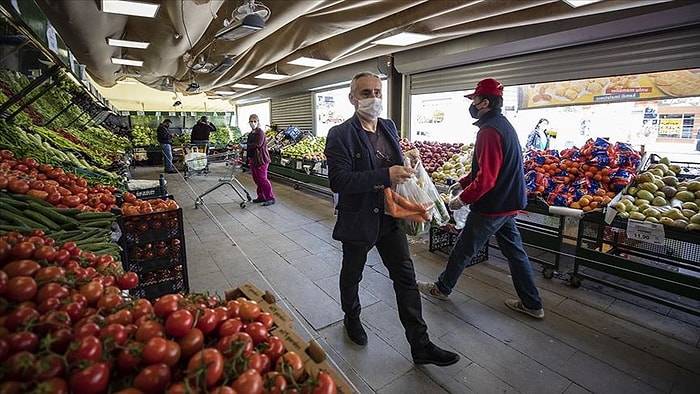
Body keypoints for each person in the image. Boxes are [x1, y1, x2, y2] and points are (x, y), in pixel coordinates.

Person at [324, 71, 459, 367]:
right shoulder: (341, 134)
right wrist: (384, 175)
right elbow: (339, 180)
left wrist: (405, 161)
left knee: (406, 278)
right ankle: (352, 317)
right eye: (365, 93)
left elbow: (392, 162)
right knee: (352, 274)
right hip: (359, 219)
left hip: (390, 216)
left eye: (377, 92)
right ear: (352, 98)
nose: (373, 98)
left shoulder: (388, 126)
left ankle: (420, 344)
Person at [417, 78, 544, 320]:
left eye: (475, 99)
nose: (472, 104)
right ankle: (532, 303)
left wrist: (461, 200)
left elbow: (487, 179)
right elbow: (488, 167)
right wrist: (464, 182)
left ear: (485, 103)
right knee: (515, 252)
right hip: (509, 202)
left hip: (493, 205)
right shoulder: (503, 125)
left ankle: (441, 288)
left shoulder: (489, 131)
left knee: (464, 248)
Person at [245, 114, 275, 206]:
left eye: (255, 121)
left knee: (262, 179)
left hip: (261, 159)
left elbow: (258, 144)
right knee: (256, 179)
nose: (253, 123)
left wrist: (245, 146)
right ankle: (261, 197)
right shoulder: (251, 133)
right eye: (251, 121)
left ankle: (270, 197)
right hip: (253, 158)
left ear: (258, 122)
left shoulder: (260, 133)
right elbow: (249, 143)